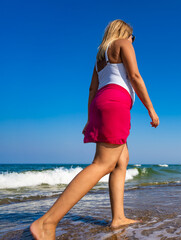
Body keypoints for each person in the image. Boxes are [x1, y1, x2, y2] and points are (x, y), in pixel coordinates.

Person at [30, 19, 159, 239]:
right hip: (116, 104)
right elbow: (135, 76)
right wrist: (151, 110)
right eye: (132, 36)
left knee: (121, 160)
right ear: (125, 32)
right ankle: (46, 222)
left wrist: (90, 119)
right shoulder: (123, 43)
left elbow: (92, 89)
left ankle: (118, 217)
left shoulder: (100, 57)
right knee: (103, 163)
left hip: (102, 102)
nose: (132, 40)